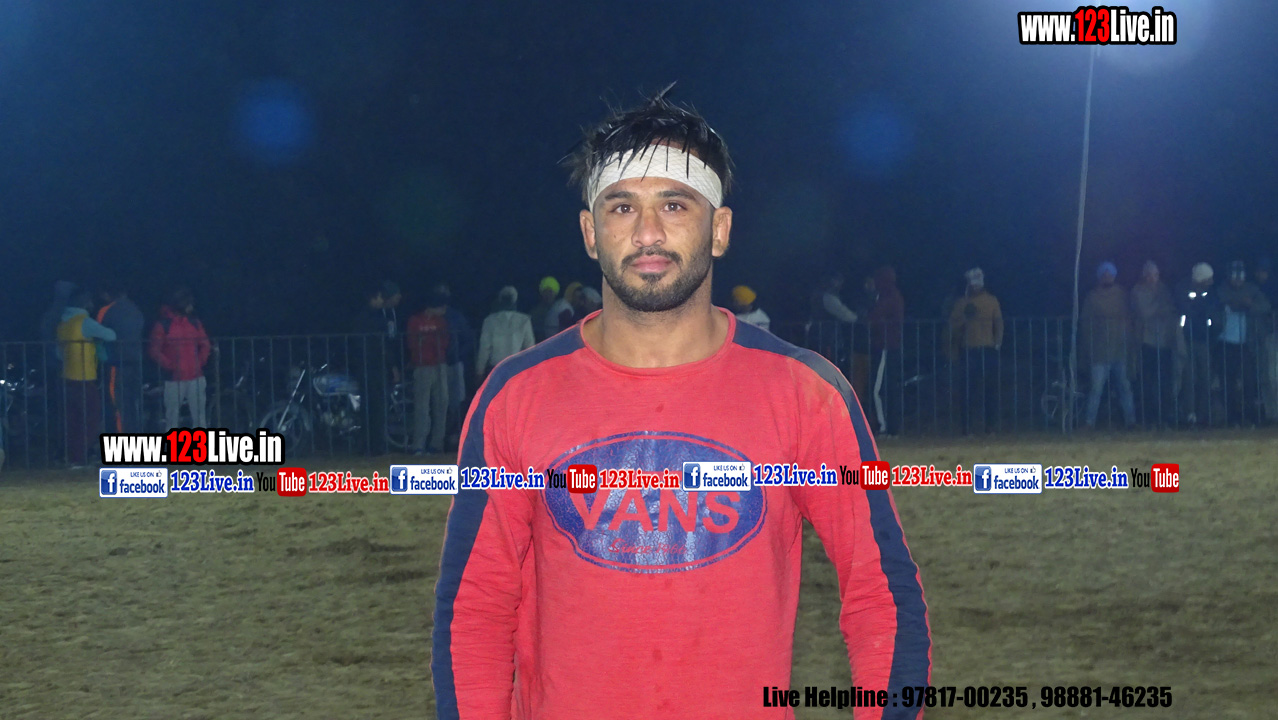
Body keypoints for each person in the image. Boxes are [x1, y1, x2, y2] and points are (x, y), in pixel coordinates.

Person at [432, 90, 929, 720]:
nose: (648, 232)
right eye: (622, 207)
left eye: (674, 204)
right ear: (590, 233)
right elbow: (475, 607)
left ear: (719, 229)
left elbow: (881, 592)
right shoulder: (515, 397)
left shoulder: (807, 394)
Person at [57, 289, 116, 467]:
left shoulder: (63, 323)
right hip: (84, 377)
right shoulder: (84, 322)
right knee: (91, 418)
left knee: (72, 419)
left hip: (67, 376)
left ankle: (71, 457)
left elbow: (59, 353)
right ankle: (79, 458)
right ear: (84, 303)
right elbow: (111, 335)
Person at [1080, 262, 1137, 429]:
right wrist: (1088, 346)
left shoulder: (1122, 295)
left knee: (1125, 387)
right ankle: (1089, 422)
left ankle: (1131, 421)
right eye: (1104, 274)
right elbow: (1085, 324)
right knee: (1096, 389)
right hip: (1099, 350)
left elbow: (1130, 319)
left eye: (1110, 274)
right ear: (1099, 277)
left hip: (1120, 349)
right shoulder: (1092, 297)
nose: (1107, 277)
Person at [1216, 260, 1271, 426]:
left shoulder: (1252, 290)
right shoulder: (1221, 290)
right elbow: (1217, 306)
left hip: (1246, 343)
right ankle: (1232, 417)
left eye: (1240, 278)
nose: (1237, 281)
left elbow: (1266, 306)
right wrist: (1235, 303)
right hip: (1226, 342)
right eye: (1234, 278)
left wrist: (1250, 305)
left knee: (1249, 381)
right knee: (1228, 381)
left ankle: (1251, 416)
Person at [949, 267, 1003, 434]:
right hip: (970, 350)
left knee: (988, 390)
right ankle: (968, 427)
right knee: (969, 390)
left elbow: (999, 324)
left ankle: (988, 426)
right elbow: (953, 326)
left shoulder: (990, 301)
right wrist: (965, 319)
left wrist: (997, 343)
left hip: (986, 349)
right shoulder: (963, 303)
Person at [148, 287, 211, 429]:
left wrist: (197, 363)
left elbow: (205, 345)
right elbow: (154, 351)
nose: (191, 306)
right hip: (177, 377)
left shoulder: (191, 322)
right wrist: (171, 365)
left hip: (190, 376)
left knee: (194, 417)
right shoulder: (165, 325)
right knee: (175, 417)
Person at [352, 280, 402, 455]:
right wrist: (392, 365)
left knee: (369, 405)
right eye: (380, 297)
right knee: (377, 406)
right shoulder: (375, 318)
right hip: (375, 366)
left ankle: (368, 444)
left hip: (366, 366)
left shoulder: (363, 317)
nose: (382, 300)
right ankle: (376, 445)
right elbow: (382, 345)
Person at [1130, 261, 1179, 428]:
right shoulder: (1138, 291)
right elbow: (1144, 312)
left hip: (1164, 341)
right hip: (1146, 341)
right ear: (1144, 276)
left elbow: (1171, 309)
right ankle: (1147, 418)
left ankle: (1165, 417)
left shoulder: (1164, 289)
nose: (1153, 278)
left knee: (1165, 381)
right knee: (1147, 381)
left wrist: (1158, 309)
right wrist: (1159, 308)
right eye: (1149, 275)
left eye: (1156, 275)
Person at [96, 282, 146, 433]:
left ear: (107, 294)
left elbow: (98, 335)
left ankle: (122, 439)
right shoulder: (136, 310)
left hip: (116, 363)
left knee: (118, 403)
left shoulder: (106, 310)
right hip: (136, 361)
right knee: (134, 402)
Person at [406, 292, 450, 455]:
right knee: (422, 406)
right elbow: (412, 343)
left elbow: (445, 341)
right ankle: (419, 444)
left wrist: (427, 341)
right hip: (422, 365)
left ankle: (437, 444)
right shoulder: (415, 320)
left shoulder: (441, 321)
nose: (444, 310)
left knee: (441, 404)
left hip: (440, 364)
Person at [433, 283, 475, 447]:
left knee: (456, 403)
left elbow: (467, 339)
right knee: (439, 403)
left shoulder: (456, 316)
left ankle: (453, 437)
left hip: (454, 364)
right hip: (436, 365)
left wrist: (457, 356)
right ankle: (440, 440)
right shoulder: (430, 316)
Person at [1177, 262, 1220, 426]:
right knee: (1189, 378)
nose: (1211, 282)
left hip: (1204, 342)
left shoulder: (1211, 294)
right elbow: (1185, 308)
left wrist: (1213, 334)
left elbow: (1214, 314)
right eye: (1208, 279)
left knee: (1205, 379)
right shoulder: (1184, 290)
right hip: (1186, 341)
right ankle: (1189, 414)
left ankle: (1203, 415)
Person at [868, 265, 904, 437]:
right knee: (888, 387)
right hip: (889, 345)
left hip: (885, 346)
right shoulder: (892, 295)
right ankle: (889, 426)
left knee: (878, 388)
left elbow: (874, 318)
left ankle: (884, 426)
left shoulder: (887, 297)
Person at [475, 286, 535, 381]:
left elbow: (484, 349)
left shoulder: (489, 321)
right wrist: (532, 371)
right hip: (517, 369)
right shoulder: (524, 320)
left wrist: (479, 371)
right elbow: (530, 348)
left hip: (496, 369)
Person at [807, 272, 858, 372]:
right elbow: (846, 315)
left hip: (819, 335)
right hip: (828, 337)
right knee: (828, 365)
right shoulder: (828, 297)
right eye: (838, 281)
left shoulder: (818, 295)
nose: (840, 284)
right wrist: (859, 317)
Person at [529, 276, 559, 343]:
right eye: (545, 291)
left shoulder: (559, 310)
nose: (548, 294)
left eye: (550, 291)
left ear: (555, 293)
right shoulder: (535, 312)